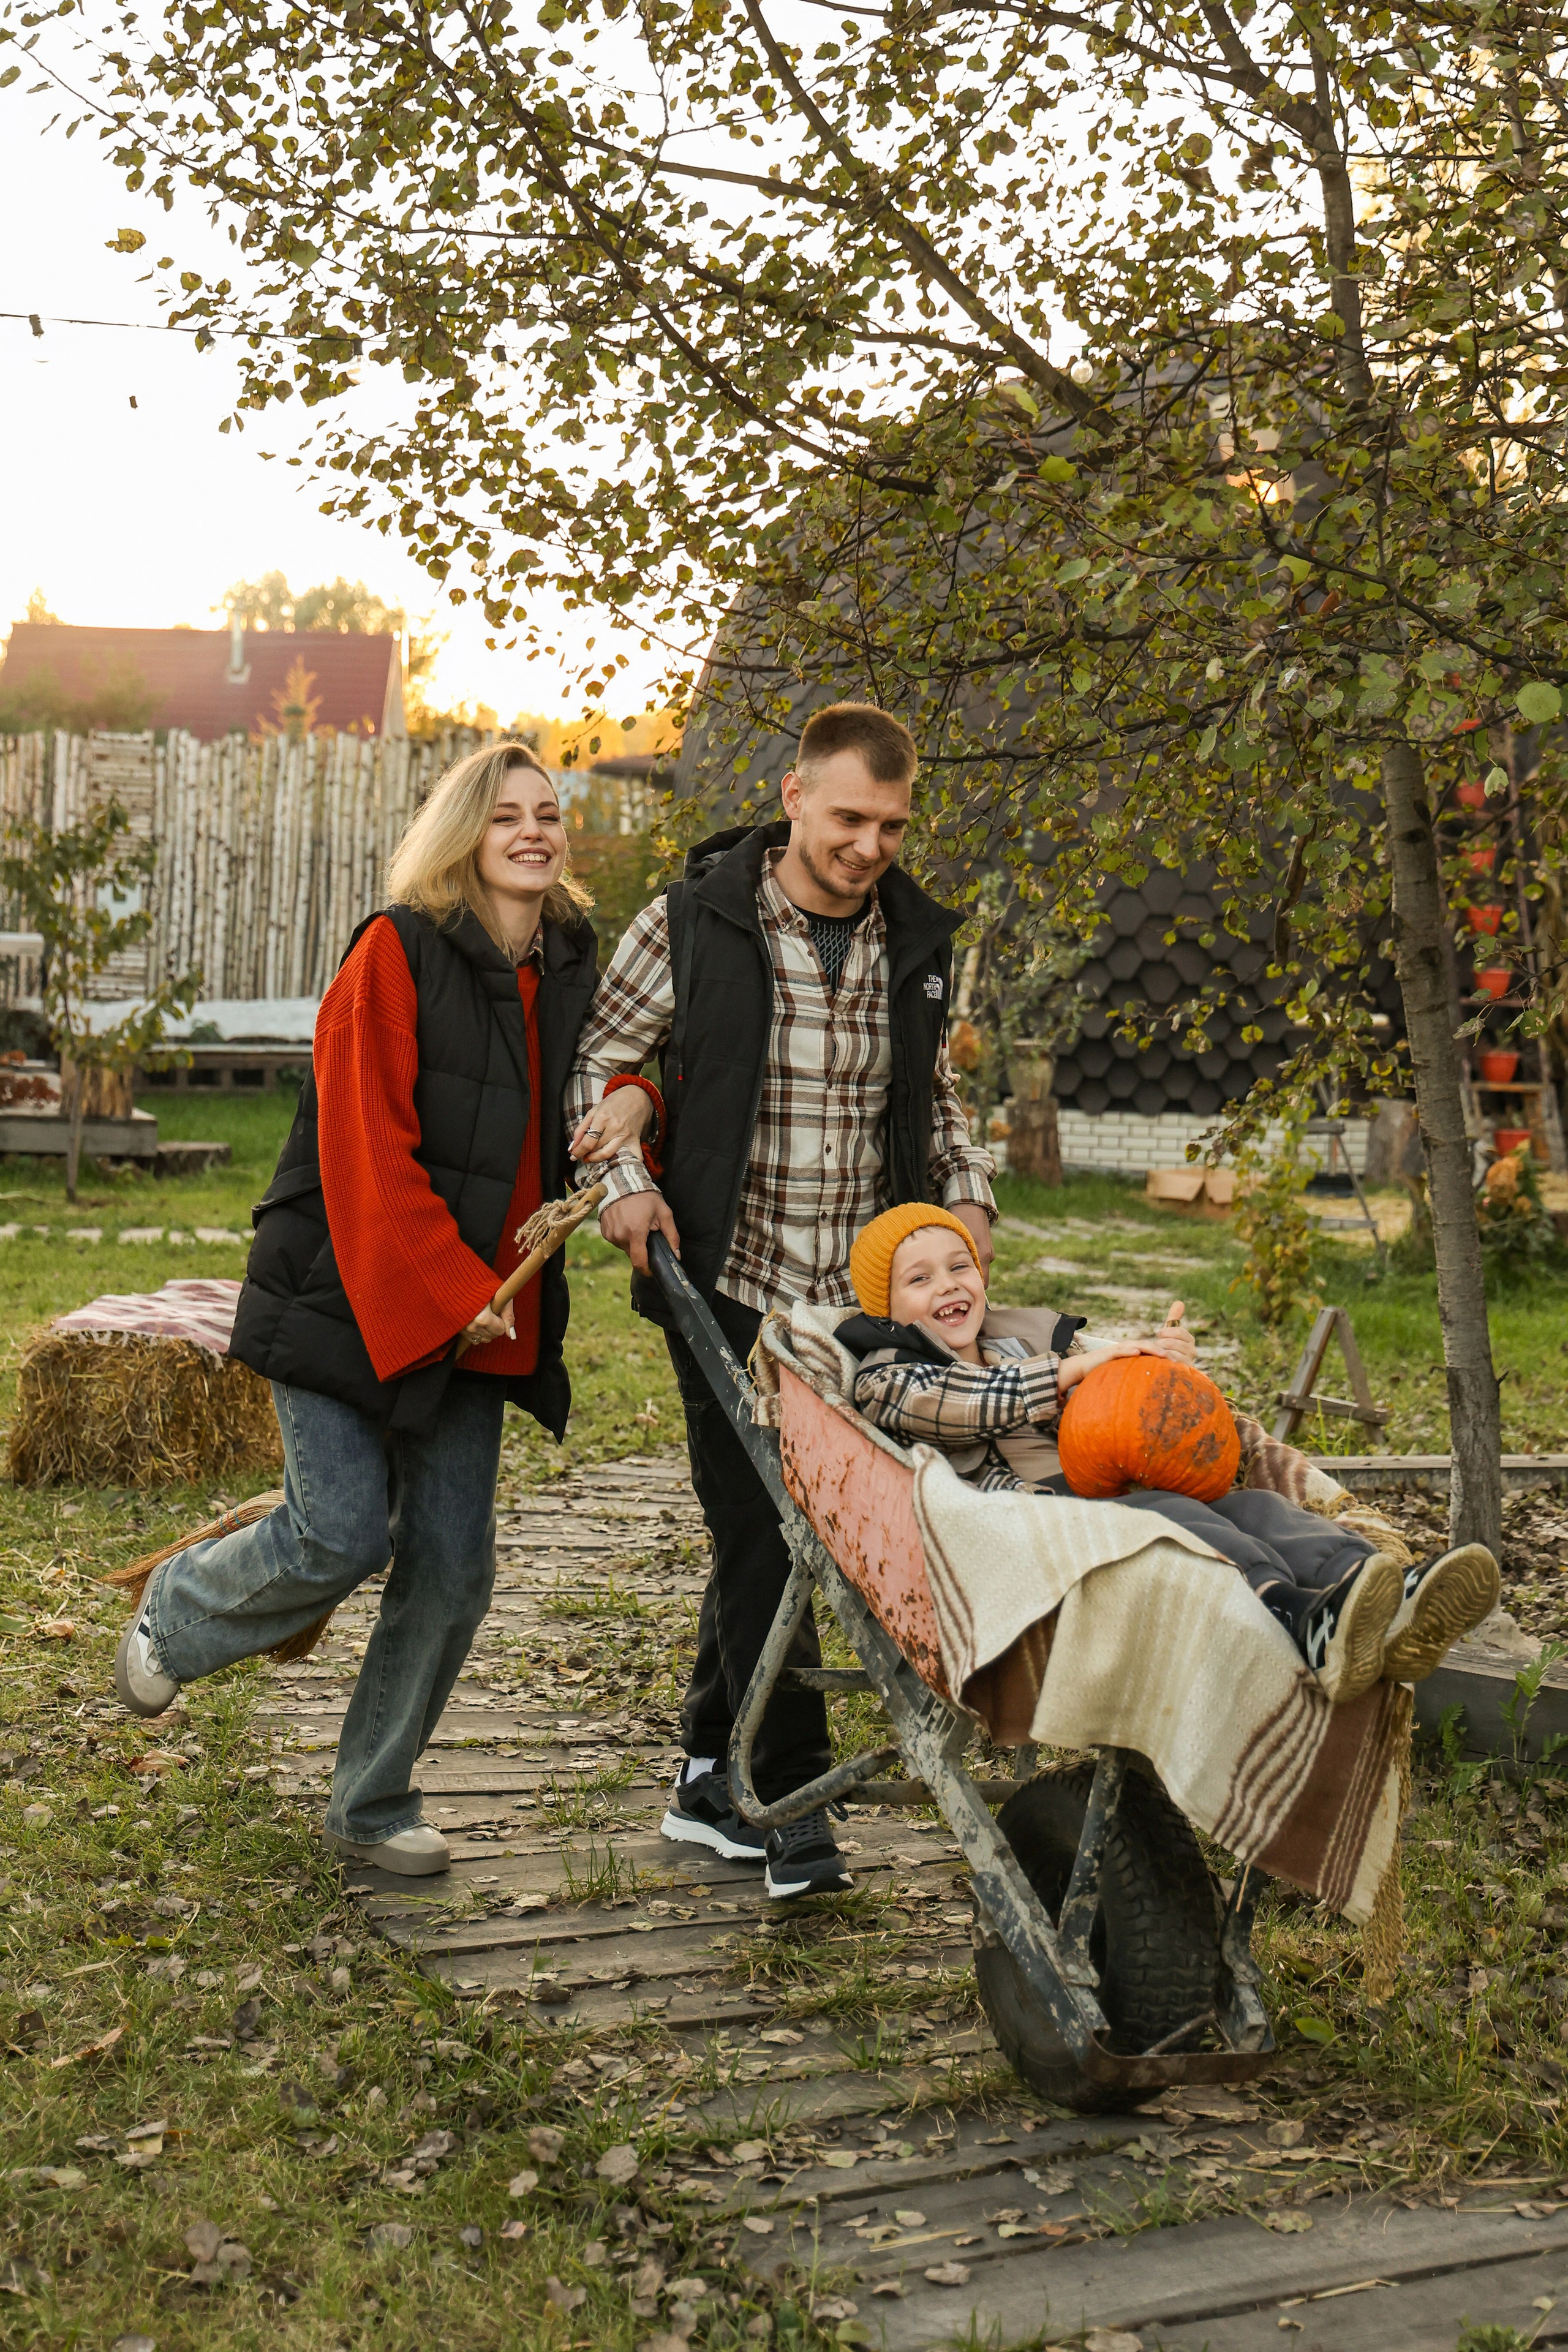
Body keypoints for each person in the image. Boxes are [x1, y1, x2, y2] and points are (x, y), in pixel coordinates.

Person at [112, 745, 649, 1875]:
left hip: (486, 1315)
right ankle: (178, 1610)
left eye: (550, 815)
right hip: (346, 1293)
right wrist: (452, 1295)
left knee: (454, 1566)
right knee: (338, 1531)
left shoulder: (573, 964)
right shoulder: (395, 951)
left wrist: (635, 1097)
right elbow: (366, 1155)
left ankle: (372, 1803)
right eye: (506, 816)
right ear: (463, 832)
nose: (534, 833)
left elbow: (627, 1066)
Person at [566, 703, 997, 1900]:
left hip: (858, 1306)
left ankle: (712, 1777)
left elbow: (935, 1107)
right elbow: (597, 1068)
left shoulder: (911, 941)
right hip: (730, 1284)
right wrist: (623, 1185)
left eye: (892, 826)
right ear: (795, 795)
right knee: (770, 1528)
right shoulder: (694, 924)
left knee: (806, 1532)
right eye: (849, 817)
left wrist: (966, 1210)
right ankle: (791, 1804)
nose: (869, 845)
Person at [840, 1204, 1500, 1703]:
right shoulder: (889, 1375)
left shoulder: (1020, 1344)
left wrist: (1160, 1366)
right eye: (920, 1278)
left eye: (960, 1266)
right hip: (1029, 1526)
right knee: (1170, 1514)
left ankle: (1380, 1592)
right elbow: (961, 1405)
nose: (949, 1284)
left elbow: (1111, 1399)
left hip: (1104, 1491)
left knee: (1254, 1504)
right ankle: (1290, 1613)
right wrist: (1066, 1375)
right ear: (888, 1308)